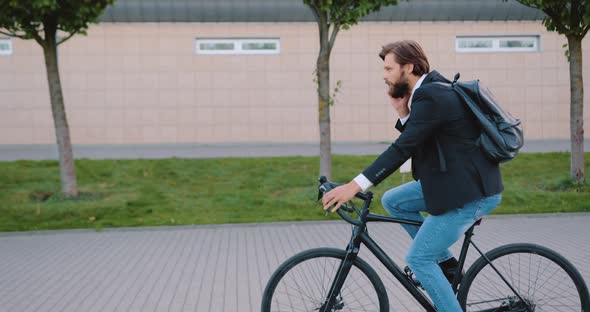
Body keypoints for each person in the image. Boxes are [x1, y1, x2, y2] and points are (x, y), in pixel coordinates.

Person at [321, 40, 503, 312]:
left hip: (470, 193)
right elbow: (421, 137)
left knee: (419, 259)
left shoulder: (431, 95)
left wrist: (353, 185)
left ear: (408, 67)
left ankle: (436, 269)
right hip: (454, 182)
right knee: (395, 201)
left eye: (389, 68)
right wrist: (402, 113)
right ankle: (447, 267)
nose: (384, 75)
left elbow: (403, 149)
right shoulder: (428, 91)